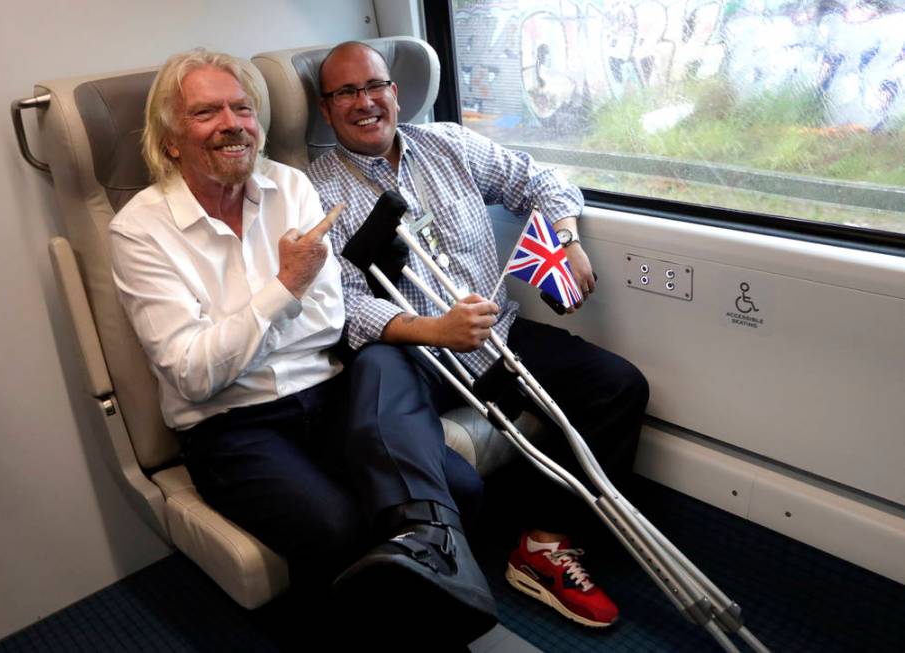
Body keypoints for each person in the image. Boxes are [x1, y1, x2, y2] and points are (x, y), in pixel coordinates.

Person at [109, 48, 497, 647]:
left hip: (328, 390)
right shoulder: (140, 230)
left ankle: (431, 601)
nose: (232, 122)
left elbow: (330, 318)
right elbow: (193, 375)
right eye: (207, 112)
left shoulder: (289, 186)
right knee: (339, 525)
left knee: (460, 484)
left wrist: (238, 336)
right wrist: (284, 285)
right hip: (232, 426)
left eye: (243, 107)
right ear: (170, 141)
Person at [308, 41, 650, 629]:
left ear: (395, 92)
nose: (365, 102)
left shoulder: (448, 143)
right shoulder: (315, 192)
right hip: (418, 358)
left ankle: (544, 544)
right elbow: (344, 307)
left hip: (499, 336)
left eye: (374, 86)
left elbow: (538, 181)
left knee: (619, 385)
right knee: (377, 379)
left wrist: (566, 241)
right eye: (346, 92)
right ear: (325, 107)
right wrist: (436, 329)